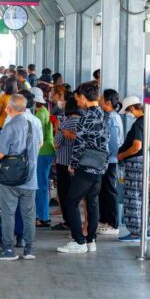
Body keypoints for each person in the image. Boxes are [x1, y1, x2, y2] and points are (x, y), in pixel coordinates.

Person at [57, 82, 109, 254]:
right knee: (92, 202)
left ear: (84, 97)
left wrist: (72, 164)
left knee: (71, 201)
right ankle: (91, 240)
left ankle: (79, 241)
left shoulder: (86, 117)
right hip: (100, 164)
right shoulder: (103, 113)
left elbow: (79, 144)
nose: (77, 100)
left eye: (78, 97)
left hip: (86, 165)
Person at [0, 94, 42, 261]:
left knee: (8, 213)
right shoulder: (33, 124)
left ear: (9, 109)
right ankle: (29, 249)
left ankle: (8, 249)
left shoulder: (9, 127)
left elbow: (0, 154)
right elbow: (39, 145)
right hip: (30, 177)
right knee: (28, 214)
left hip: (11, 178)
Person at [117, 96, 150, 242]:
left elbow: (137, 146)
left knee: (133, 197)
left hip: (135, 164)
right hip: (143, 163)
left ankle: (136, 232)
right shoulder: (148, 123)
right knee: (140, 197)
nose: (128, 114)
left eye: (128, 111)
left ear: (132, 108)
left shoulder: (139, 124)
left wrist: (122, 155)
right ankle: (143, 230)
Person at [97, 89, 124, 236]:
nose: (99, 100)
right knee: (105, 191)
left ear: (107, 102)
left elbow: (113, 143)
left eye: (101, 98)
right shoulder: (109, 116)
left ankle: (113, 224)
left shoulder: (112, 118)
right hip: (107, 160)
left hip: (111, 161)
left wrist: (108, 158)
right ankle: (105, 220)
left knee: (110, 191)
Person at [52, 97, 80, 231]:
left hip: (63, 163)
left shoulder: (65, 123)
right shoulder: (83, 122)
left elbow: (56, 144)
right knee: (75, 193)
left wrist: (58, 130)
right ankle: (76, 221)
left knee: (64, 193)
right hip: (78, 163)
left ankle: (68, 221)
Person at [32, 88, 55, 227]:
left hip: (42, 152)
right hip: (47, 151)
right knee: (42, 184)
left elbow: (37, 137)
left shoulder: (39, 115)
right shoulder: (44, 111)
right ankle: (42, 215)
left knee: (41, 186)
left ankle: (43, 217)